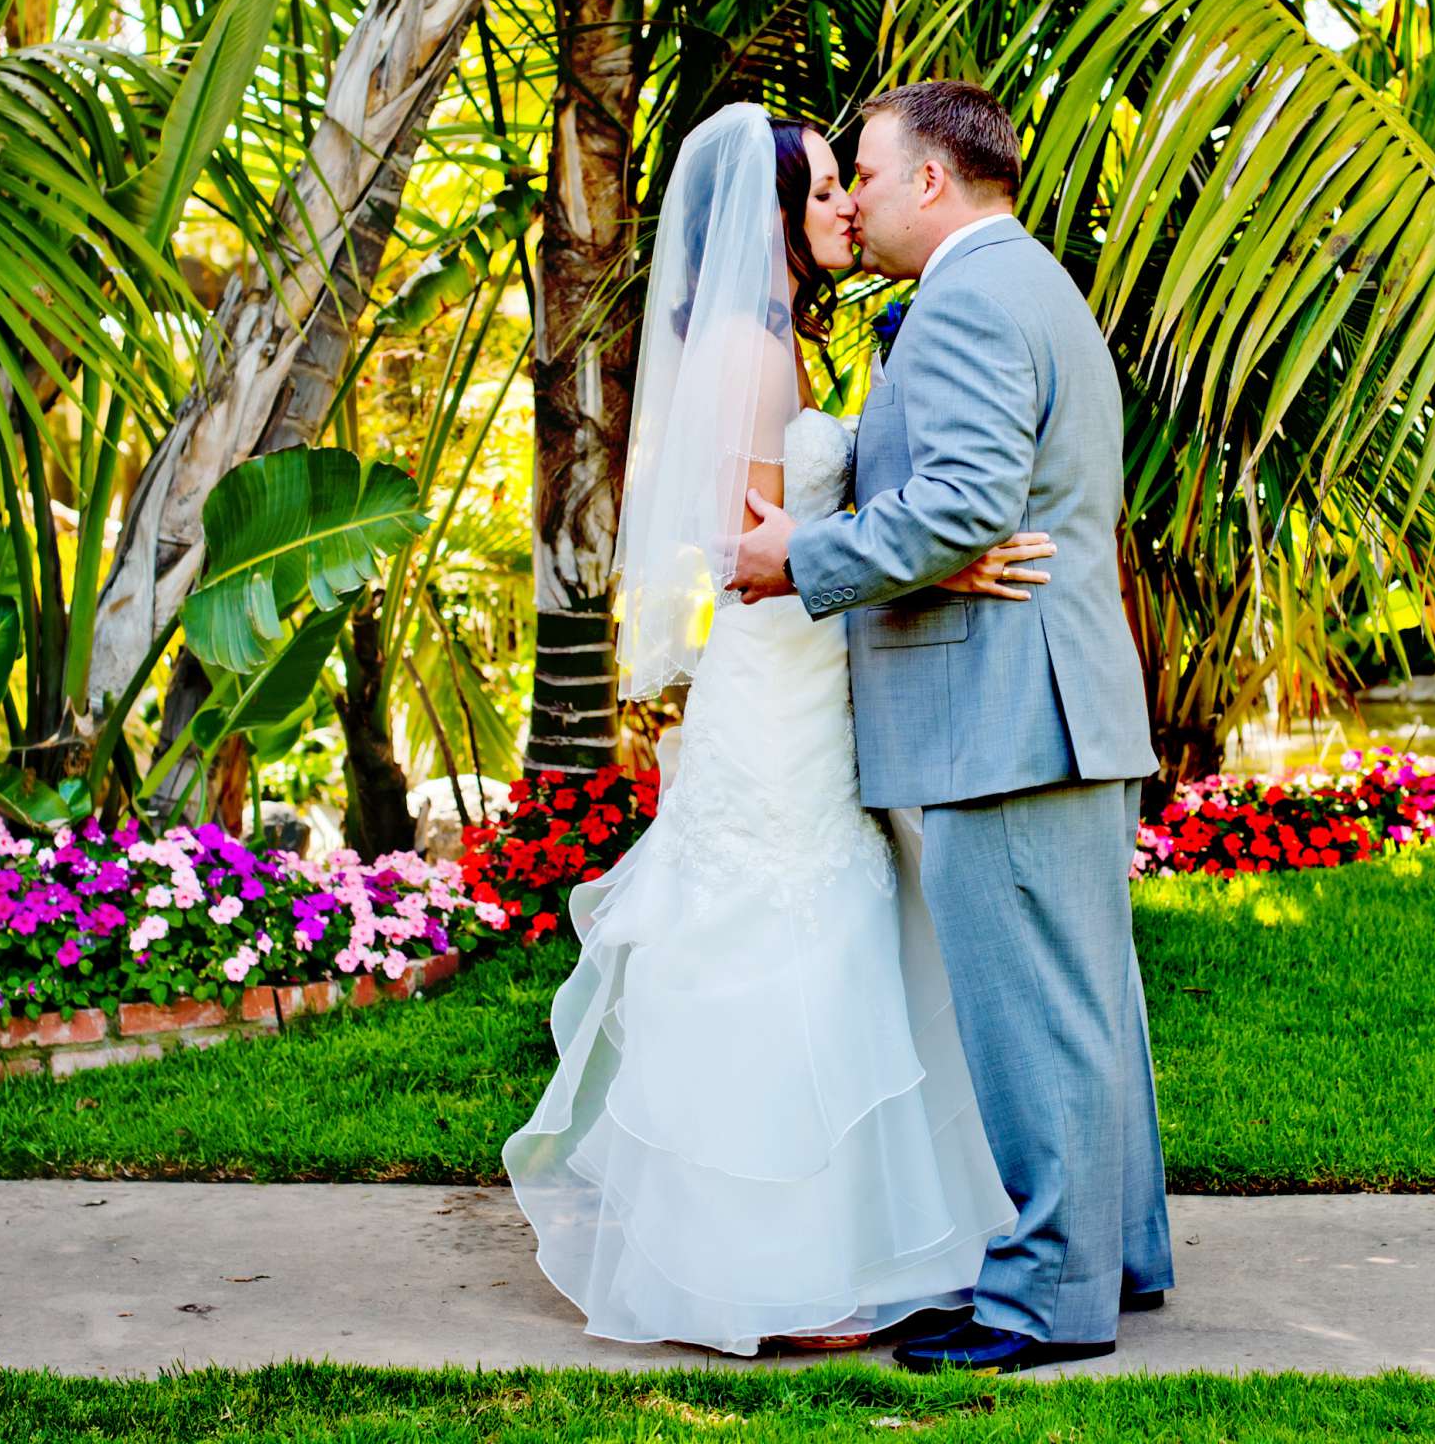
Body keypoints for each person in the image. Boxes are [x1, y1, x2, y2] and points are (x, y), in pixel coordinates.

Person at [501, 101, 1044, 1357]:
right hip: (782, 681)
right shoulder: (751, 353)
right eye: (820, 194)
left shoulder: (775, 339)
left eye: (847, 188)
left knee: (839, 924)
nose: (847, 207)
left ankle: (846, 1244)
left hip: (811, 673)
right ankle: (777, 1269)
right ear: (773, 224)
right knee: (792, 936)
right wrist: (946, 568)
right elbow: (752, 554)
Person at [728, 80, 1173, 1375]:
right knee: (1087, 1012)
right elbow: (969, 489)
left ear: (930, 178)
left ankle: (1045, 1301)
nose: (851, 198)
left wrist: (800, 556)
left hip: (1011, 709)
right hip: (1047, 700)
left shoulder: (975, 294)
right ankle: (1116, 1260)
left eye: (863, 171)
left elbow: (972, 498)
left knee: (1041, 1021)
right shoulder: (1024, 281)